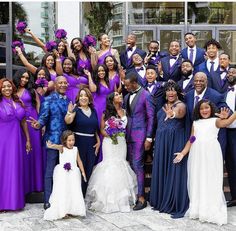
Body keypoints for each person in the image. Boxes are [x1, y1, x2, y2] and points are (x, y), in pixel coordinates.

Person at [174, 100, 236, 225]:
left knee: (211, 179)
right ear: (198, 110)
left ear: (211, 108)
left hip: (211, 153)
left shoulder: (215, 121)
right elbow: (192, 139)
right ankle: (198, 209)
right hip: (197, 153)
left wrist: (231, 115)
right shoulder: (196, 123)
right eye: (202, 108)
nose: (204, 110)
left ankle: (211, 209)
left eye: (207, 108)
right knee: (198, 179)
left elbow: (228, 122)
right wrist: (183, 153)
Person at [85, 92, 137, 213]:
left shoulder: (125, 112)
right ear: (112, 99)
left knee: (121, 165)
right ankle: (106, 200)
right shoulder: (106, 113)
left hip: (121, 141)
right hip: (109, 142)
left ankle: (121, 199)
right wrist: (110, 134)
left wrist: (119, 134)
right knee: (109, 165)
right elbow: (102, 130)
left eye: (120, 95)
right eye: (118, 95)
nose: (120, 96)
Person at [27, 76, 69, 210]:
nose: (63, 85)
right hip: (52, 141)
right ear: (55, 85)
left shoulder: (69, 100)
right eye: (60, 83)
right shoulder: (48, 100)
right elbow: (43, 118)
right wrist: (37, 125)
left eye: (64, 83)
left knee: (64, 170)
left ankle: (62, 198)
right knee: (50, 171)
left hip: (67, 142)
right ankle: (47, 200)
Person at [150, 81, 189, 218]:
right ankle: (160, 200)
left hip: (174, 142)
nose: (171, 93)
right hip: (162, 142)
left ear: (177, 92)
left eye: (173, 90)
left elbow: (180, 113)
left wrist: (173, 114)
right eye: (168, 90)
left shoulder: (181, 105)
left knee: (174, 170)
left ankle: (173, 201)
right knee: (162, 168)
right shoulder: (163, 106)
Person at [124, 72, 154, 210]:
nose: (126, 87)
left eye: (128, 85)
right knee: (131, 165)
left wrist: (149, 137)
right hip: (128, 136)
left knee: (138, 165)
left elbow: (151, 117)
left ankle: (142, 197)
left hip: (141, 136)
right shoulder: (126, 96)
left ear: (135, 83)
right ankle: (133, 194)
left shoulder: (146, 95)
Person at [0, 78, 31, 211]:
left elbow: (23, 122)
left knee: (14, 168)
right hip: (3, 140)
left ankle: (14, 202)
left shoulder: (18, 101)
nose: (7, 89)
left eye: (9, 86)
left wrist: (28, 139)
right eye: (3, 87)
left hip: (17, 139)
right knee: (3, 169)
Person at [43, 130, 86, 220]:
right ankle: (63, 210)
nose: (71, 142)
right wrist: (50, 145)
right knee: (64, 191)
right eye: (69, 140)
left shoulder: (75, 149)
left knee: (73, 191)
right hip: (63, 175)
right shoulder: (62, 148)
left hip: (74, 174)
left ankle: (73, 210)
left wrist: (83, 172)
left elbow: (79, 161)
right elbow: (54, 146)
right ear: (64, 140)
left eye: (73, 140)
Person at [13, 69, 44, 194]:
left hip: (32, 121)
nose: (25, 80)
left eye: (27, 78)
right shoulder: (12, 90)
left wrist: (41, 123)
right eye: (22, 77)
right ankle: (23, 186)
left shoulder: (32, 91)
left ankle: (36, 185)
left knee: (34, 152)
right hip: (17, 122)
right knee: (21, 153)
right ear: (18, 77)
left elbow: (38, 106)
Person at [65, 87, 100, 196]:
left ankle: (84, 196)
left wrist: (98, 141)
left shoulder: (93, 111)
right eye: (81, 96)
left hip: (92, 144)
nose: (83, 98)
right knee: (79, 170)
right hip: (79, 143)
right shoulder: (76, 109)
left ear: (89, 98)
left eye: (85, 95)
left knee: (89, 170)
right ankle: (77, 196)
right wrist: (70, 111)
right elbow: (68, 120)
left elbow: (95, 129)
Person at [224, 67, 236, 207]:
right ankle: (234, 196)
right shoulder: (225, 91)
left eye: (233, 72)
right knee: (231, 165)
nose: (231, 74)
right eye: (229, 73)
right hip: (226, 131)